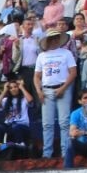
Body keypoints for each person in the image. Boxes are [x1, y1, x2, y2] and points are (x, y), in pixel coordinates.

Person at [33, 30, 77, 160]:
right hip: (47, 89)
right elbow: (36, 76)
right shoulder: (42, 56)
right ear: (48, 40)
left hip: (63, 87)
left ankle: (65, 152)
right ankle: (47, 153)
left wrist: (64, 87)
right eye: (52, 38)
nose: (55, 40)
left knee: (64, 122)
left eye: (57, 38)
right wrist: (38, 90)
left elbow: (73, 72)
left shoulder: (66, 53)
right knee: (47, 124)